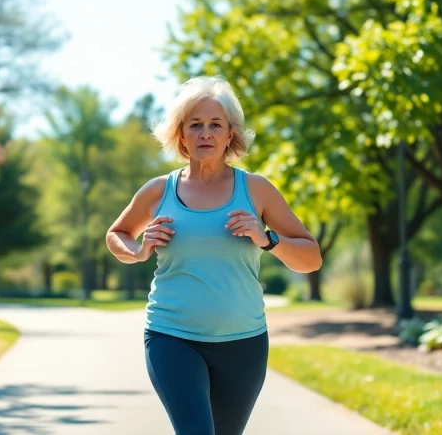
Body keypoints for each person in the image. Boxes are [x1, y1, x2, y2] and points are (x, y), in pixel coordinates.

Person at [105, 75, 322, 435]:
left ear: (229, 135)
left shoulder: (256, 190)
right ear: (180, 135)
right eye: (195, 125)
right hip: (172, 336)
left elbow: (311, 256)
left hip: (243, 343)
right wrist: (139, 250)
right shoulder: (160, 190)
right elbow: (117, 234)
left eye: (215, 125)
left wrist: (266, 238)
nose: (205, 133)